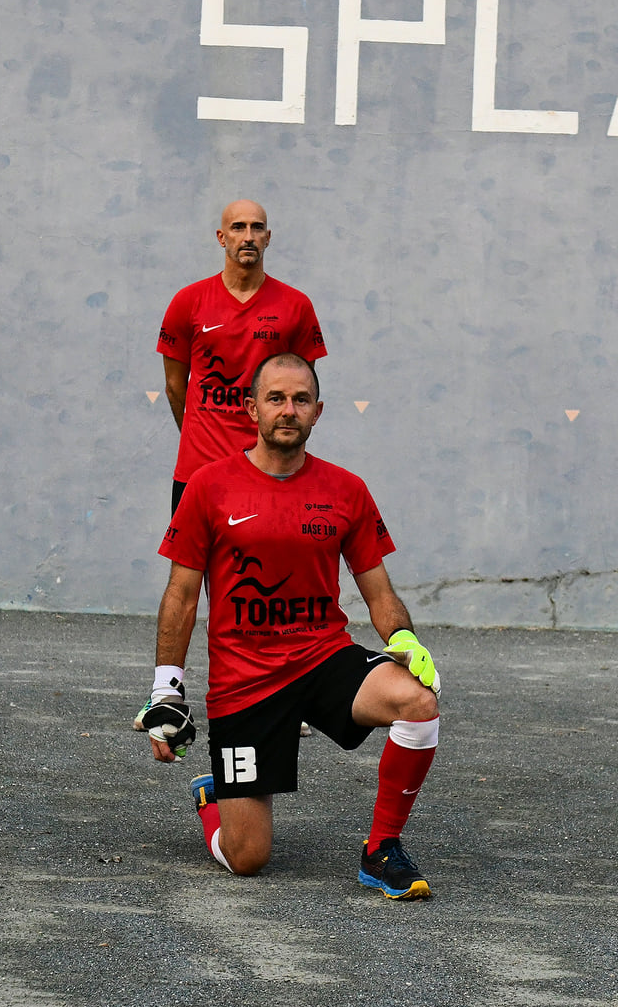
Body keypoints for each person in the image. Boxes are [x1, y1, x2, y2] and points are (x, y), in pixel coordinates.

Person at [134, 353, 442, 899]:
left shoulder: (346, 489)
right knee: (248, 858)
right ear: (251, 408)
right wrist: (166, 690)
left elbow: (379, 591)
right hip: (244, 683)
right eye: (275, 398)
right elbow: (181, 595)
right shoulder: (209, 486)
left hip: (321, 658)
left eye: (301, 400)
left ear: (317, 412)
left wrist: (404, 639)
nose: (288, 410)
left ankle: (382, 849)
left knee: (417, 702)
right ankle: (213, 797)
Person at [156, 199, 331, 796]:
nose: (248, 236)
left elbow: (299, 386)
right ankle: (171, 696)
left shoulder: (295, 306)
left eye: (257, 227)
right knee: (195, 591)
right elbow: (176, 384)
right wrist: (202, 444)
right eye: (238, 227)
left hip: (271, 476)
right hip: (200, 473)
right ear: (221, 237)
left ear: (269, 237)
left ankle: (279, 693)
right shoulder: (188, 302)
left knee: (265, 591)